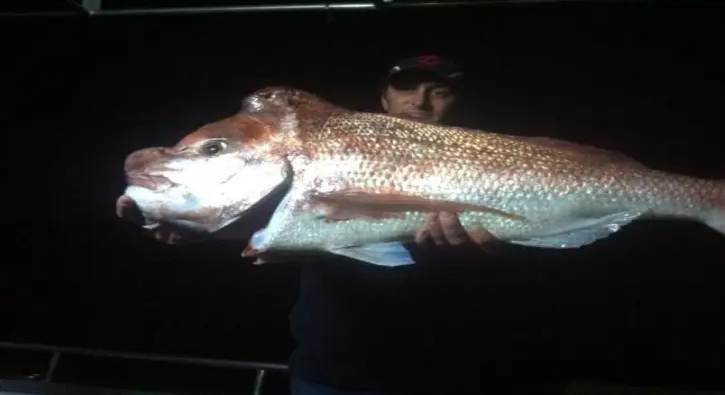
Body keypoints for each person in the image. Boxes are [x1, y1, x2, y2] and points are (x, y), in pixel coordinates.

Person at [117, 55, 567, 395]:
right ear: (385, 97)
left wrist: (492, 254)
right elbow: (271, 220)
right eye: (406, 88)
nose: (420, 100)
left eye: (439, 91)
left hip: (457, 369)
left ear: (457, 101)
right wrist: (183, 216)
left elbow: (534, 257)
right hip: (335, 366)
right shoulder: (334, 143)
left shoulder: (494, 155)